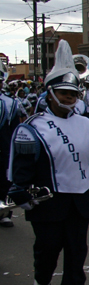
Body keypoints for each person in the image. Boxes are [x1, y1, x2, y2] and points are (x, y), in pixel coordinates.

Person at [8, 40, 89, 285]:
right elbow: (22, 166)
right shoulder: (33, 127)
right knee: (48, 247)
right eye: (63, 93)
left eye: (73, 94)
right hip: (48, 201)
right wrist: (19, 190)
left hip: (80, 198)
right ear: (50, 94)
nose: (69, 99)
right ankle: (42, 275)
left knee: (76, 248)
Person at [0, 62, 25, 227]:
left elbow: (15, 128)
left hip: (4, 147)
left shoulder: (10, 103)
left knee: (5, 179)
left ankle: (4, 213)